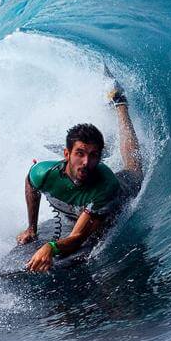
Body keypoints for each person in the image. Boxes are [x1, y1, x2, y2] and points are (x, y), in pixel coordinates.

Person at [17, 82, 143, 272]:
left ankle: (120, 103)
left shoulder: (105, 186)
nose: (85, 162)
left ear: (99, 158)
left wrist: (51, 247)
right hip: (87, 199)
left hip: (121, 190)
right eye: (80, 153)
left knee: (134, 169)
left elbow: (78, 238)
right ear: (66, 154)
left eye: (93, 156)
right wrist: (31, 228)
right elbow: (30, 184)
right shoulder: (43, 173)